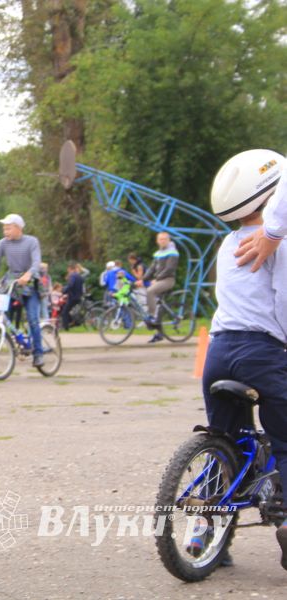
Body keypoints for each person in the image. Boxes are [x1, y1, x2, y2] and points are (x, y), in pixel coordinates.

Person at [201, 149, 287, 568]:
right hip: (262, 351)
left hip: (218, 352)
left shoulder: (226, 242)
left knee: (224, 438)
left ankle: (206, 536)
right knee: (286, 442)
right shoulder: (278, 244)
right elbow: (283, 302)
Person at [0, 214, 44, 367]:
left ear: (18, 228)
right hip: (12, 283)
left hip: (30, 283)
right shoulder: (2, 243)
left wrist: (29, 274)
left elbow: (37, 262)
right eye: (4, 228)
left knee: (32, 319)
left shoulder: (32, 242)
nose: (5, 231)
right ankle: (13, 339)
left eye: (8, 228)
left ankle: (38, 354)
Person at [138, 231, 179, 343]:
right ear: (157, 241)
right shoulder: (157, 254)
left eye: (164, 239)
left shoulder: (173, 252)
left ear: (168, 240)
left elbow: (169, 269)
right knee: (160, 306)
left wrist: (157, 279)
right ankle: (159, 334)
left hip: (167, 280)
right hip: (160, 280)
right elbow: (151, 269)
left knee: (150, 291)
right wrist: (142, 280)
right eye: (160, 239)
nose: (162, 241)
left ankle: (151, 316)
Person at [60, 262, 84, 331]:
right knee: (68, 310)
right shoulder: (79, 276)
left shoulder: (73, 276)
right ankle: (72, 322)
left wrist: (64, 291)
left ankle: (66, 327)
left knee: (64, 312)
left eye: (68, 269)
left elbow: (71, 285)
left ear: (70, 269)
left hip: (73, 297)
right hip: (78, 296)